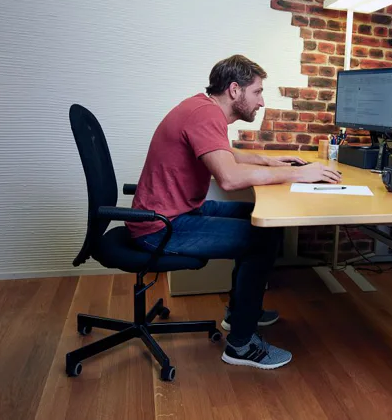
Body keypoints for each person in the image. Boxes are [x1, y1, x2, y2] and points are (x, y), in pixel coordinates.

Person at [126, 54, 342, 369]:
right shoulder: (205, 115)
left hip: (176, 212)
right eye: (257, 92)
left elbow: (226, 153)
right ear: (234, 90)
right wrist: (298, 174)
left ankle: (238, 313)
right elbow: (229, 178)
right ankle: (241, 344)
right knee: (262, 237)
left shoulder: (201, 108)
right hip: (159, 227)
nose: (262, 101)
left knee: (253, 216)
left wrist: (269, 161)